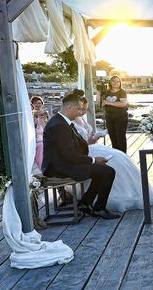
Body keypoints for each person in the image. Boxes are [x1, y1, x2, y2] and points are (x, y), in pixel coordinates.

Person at [73, 92, 153, 212]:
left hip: (93, 146)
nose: (82, 112)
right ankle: (108, 198)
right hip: (86, 150)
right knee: (114, 162)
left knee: (120, 156)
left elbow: (87, 136)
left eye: (85, 109)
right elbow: (79, 143)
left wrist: (95, 136)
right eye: (81, 109)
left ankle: (134, 191)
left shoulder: (81, 119)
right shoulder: (71, 122)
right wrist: (93, 139)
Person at [42, 90, 120, 219]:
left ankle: (85, 203)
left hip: (63, 162)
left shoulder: (61, 121)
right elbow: (69, 155)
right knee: (108, 172)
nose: (80, 112)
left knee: (102, 171)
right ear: (69, 107)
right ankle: (98, 208)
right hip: (59, 167)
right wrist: (94, 160)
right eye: (78, 109)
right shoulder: (58, 125)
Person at [101, 75, 129, 153]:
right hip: (109, 118)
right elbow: (99, 103)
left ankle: (123, 157)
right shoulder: (106, 92)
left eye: (117, 81)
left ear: (120, 82)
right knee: (113, 139)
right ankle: (117, 157)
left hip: (120, 117)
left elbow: (123, 104)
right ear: (110, 82)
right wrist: (99, 91)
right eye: (113, 81)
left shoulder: (122, 92)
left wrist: (109, 102)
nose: (116, 83)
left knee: (120, 139)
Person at [30, 95, 49, 171]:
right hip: (36, 138)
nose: (38, 105)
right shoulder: (31, 114)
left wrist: (44, 118)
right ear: (32, 104)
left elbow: (48, 126)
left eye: (39, 103)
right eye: (35, 103)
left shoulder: (45, 113)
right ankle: (41, 168)